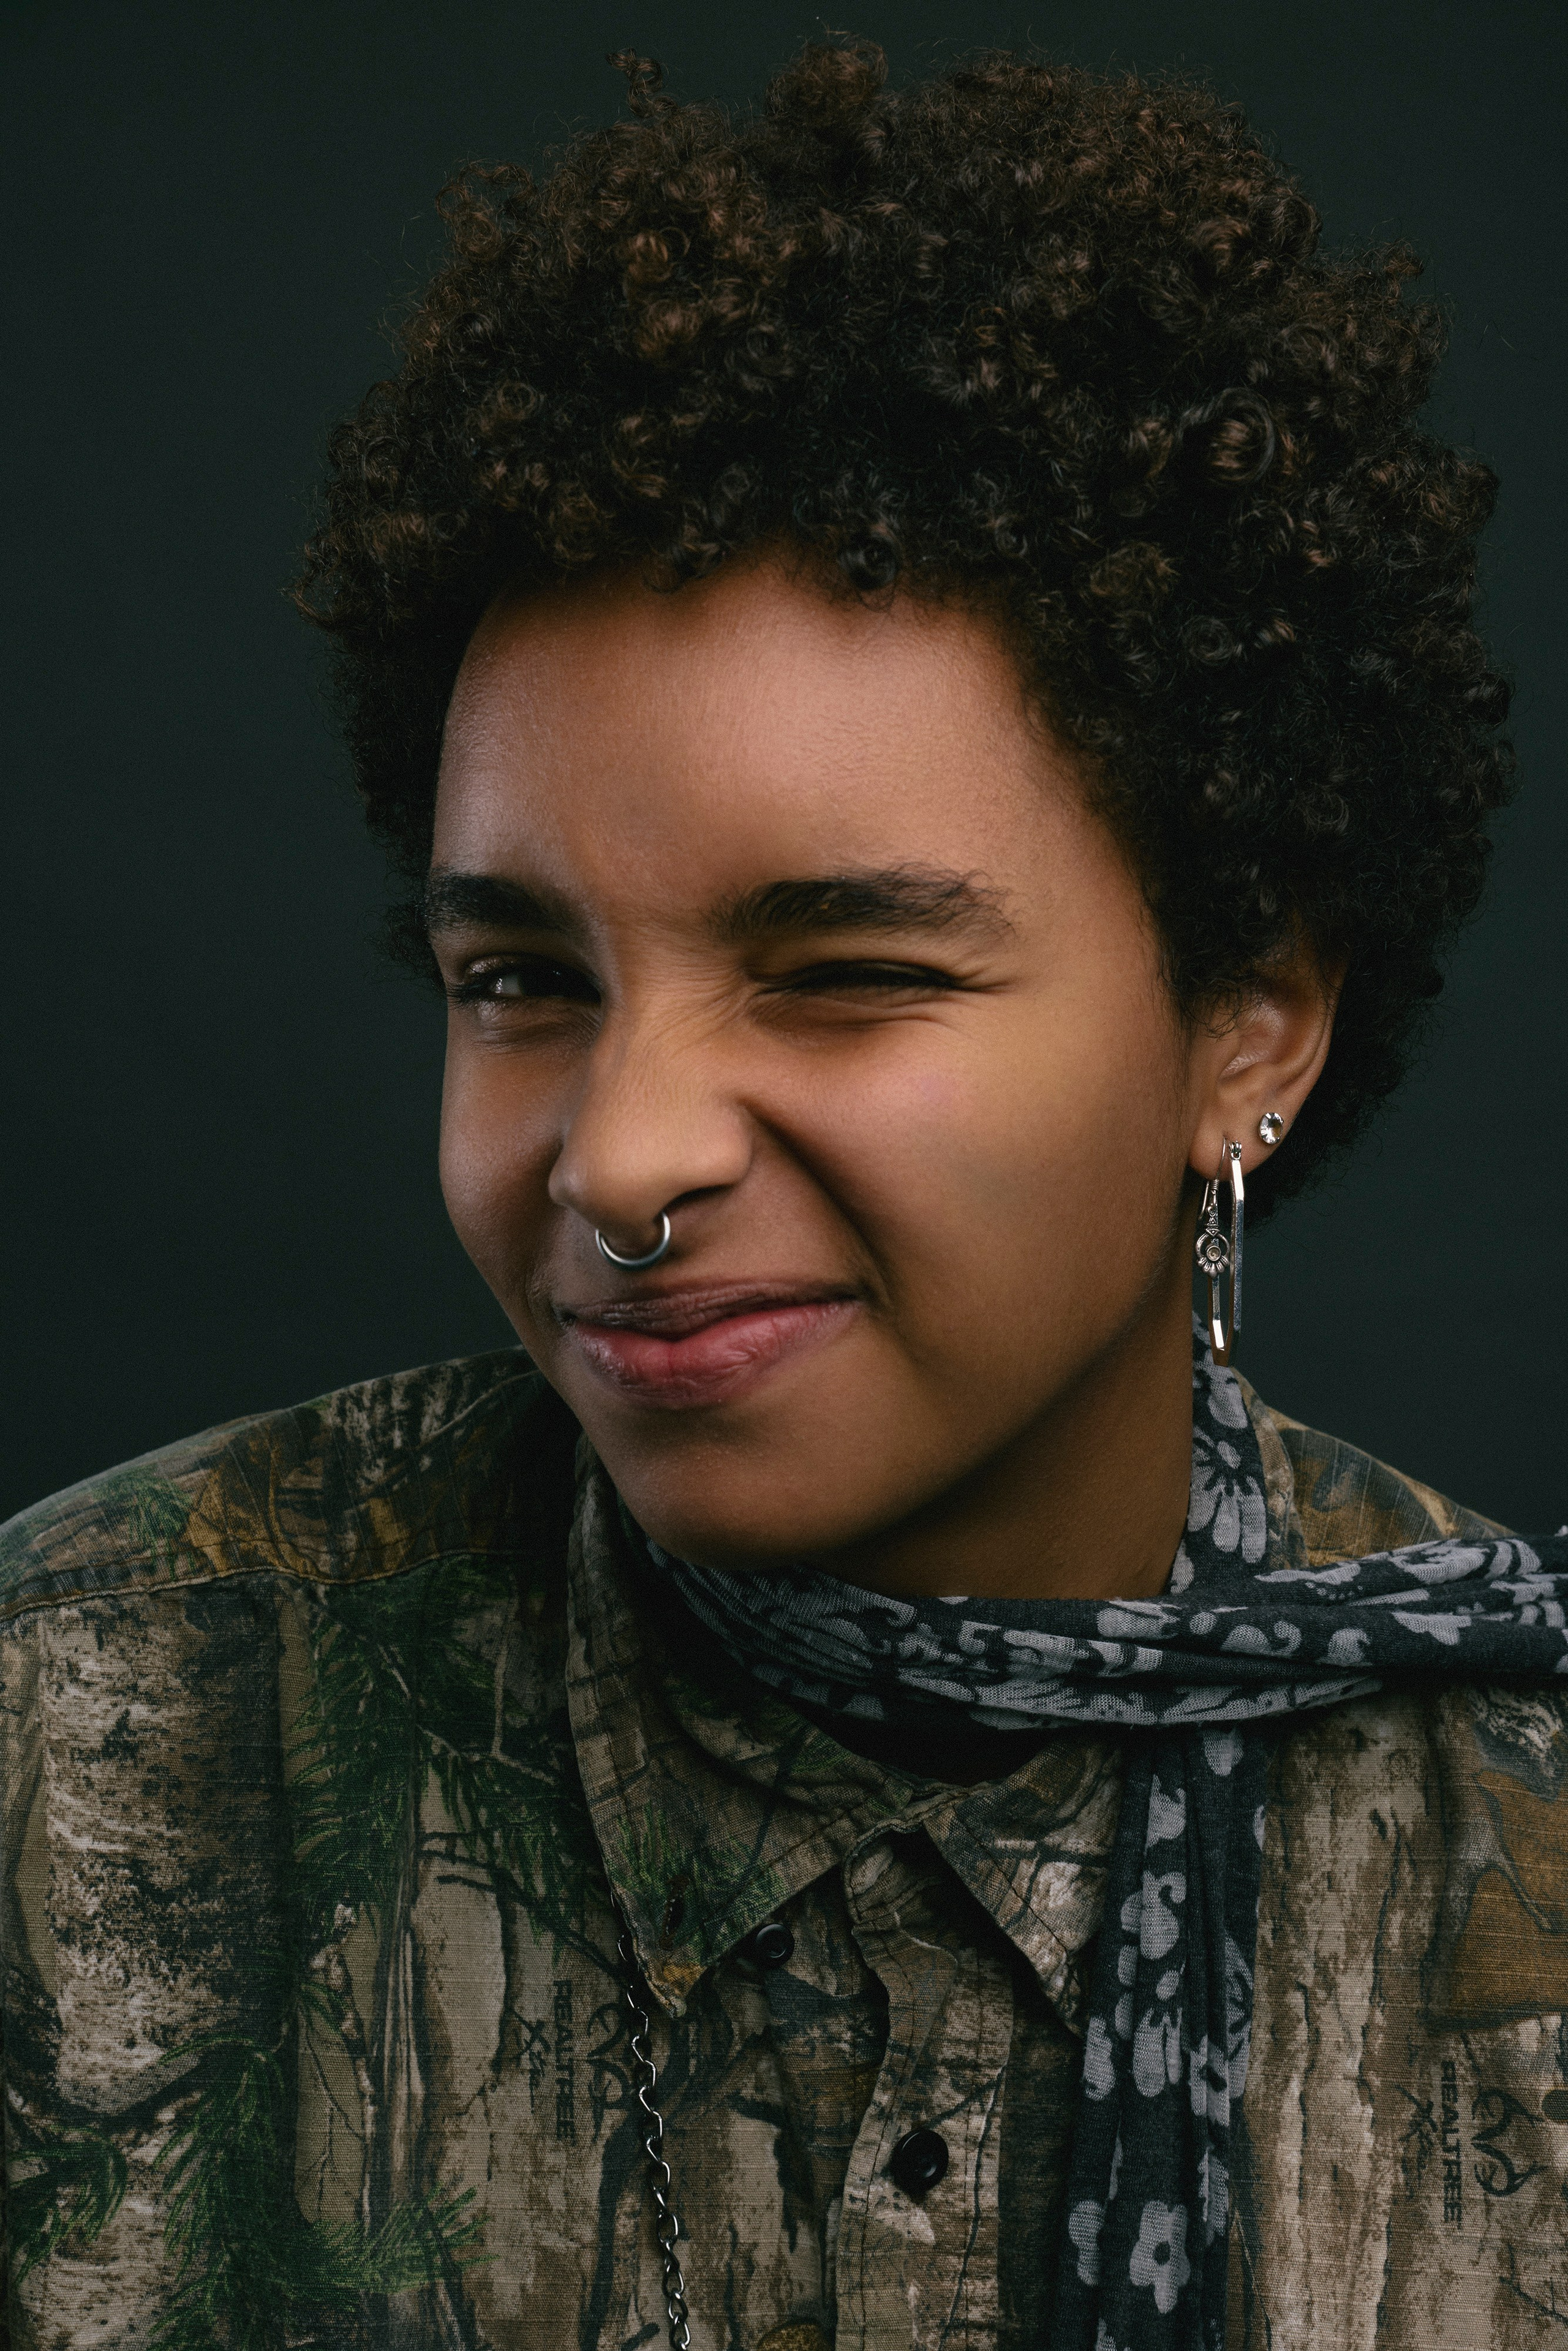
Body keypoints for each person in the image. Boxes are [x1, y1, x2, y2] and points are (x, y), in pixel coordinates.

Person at [2, 37, 1561, 2351]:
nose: (623, 1156)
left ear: (1247, 1024)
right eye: (521, 975)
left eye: (845, 974)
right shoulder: (72, 1758)